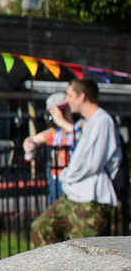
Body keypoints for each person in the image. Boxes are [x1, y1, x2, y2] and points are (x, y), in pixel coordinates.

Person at [32, 79, 122, 246]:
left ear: (83, 97)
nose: (67, 100)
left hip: (90, 198)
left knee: (84, 250)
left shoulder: (102, 121)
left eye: (70, 95)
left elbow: (90, 163)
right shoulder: (89, 122)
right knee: (41, 228)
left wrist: (67, 175)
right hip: (74, 194)